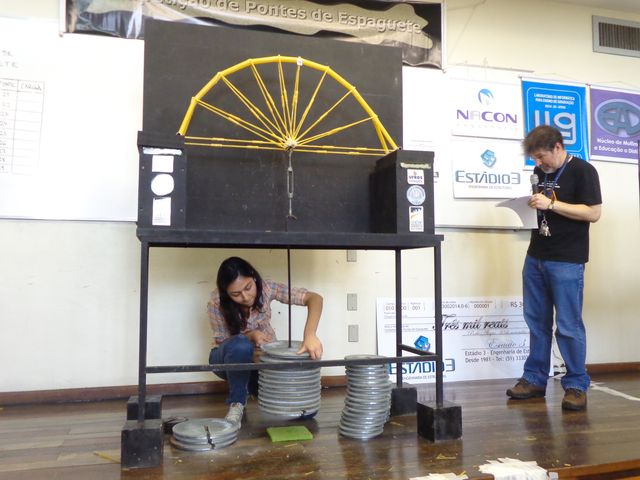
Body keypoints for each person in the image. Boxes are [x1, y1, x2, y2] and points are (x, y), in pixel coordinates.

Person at [507, 125, 602, 411]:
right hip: (535, 255)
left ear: (558, 147)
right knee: (536, 322)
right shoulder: (539, 173)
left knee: (569, 325)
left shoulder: (583, 171)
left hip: (567, 259)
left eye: (541, 156)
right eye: (534, 158)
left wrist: (551, 204)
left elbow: (593, 212)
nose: (538, 163)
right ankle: (534, 379)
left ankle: (576, 384)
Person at [207, 256, 323, 426]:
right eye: (236, 294)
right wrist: (250, 336)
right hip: (225, 360)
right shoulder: (216, 302)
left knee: (305, 413)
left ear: (253, 277)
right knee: (241, 346)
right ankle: (237, 402)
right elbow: (224, 343)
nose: (245, 297)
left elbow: (314, 298)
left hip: (263, 363)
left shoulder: (267, 288)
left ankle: (249, 385)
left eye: (248, 287)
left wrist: (310, 334)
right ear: (226, 293)